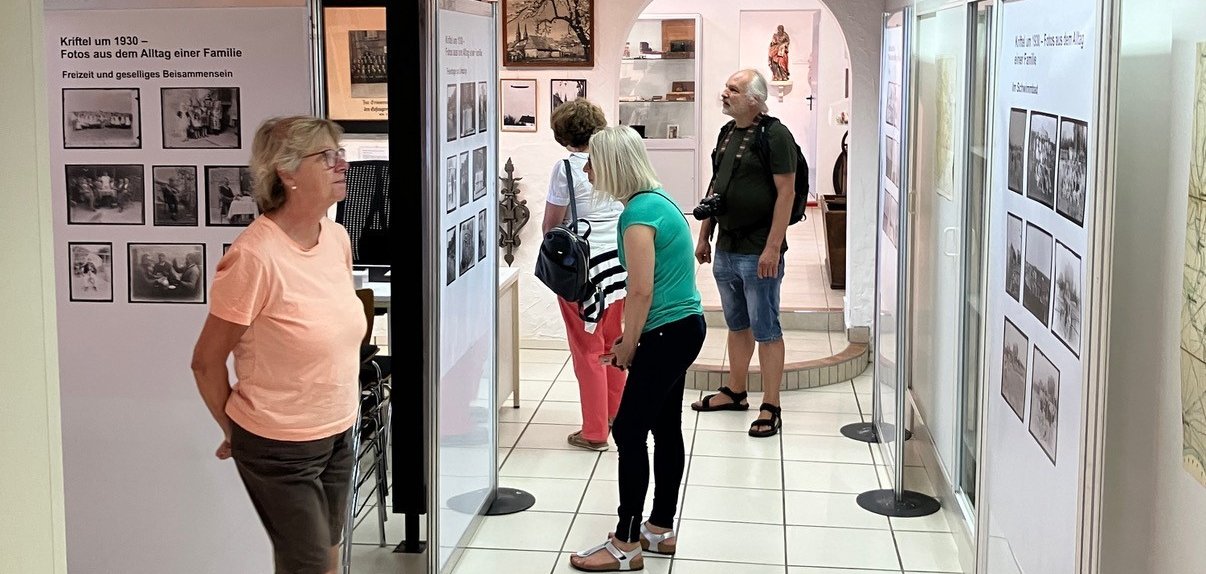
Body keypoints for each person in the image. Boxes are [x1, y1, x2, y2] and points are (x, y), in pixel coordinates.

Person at [190, 115, 361, 574]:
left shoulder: (336, 238)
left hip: (337, 430)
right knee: (307, 563)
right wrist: (234, 433)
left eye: (340, 154)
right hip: (279, 445)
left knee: (324, 556)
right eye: (327, 157)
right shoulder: (253, 256)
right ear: (286, 173)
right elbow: (206, 362)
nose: (341, 165)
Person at [568, 126, 705, 572]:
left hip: (667, 331)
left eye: (592, 162)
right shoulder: (658, 201)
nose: (586, 170)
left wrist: (628, 345)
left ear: (611, 165)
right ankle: (659, 527)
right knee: (665, 426)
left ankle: (626, 543)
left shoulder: (638, 215)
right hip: (682, 328)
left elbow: (641, 291)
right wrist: (633, 343)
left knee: (628, 431)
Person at [691, 69, 797, 438]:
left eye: (732, 89)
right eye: (726, 87)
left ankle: (772, 404)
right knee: (737, 324)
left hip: (758, 251)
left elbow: (786, 193)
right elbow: (715, 186)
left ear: (754, 98)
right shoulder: (726, 134)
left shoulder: (776, 135)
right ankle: (736, 391)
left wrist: (772, 247)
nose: (724, 93)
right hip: (727, 247)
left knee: (766, 327)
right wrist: (704, 234)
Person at [542, 98, 628, 452]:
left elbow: (552, 224)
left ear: (563, 133)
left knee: (586, 349)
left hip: (585, 270)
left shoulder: (566, 168)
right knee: (613, 343)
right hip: (619, 263)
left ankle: (594, 431)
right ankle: (616, 415)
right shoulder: (615, 162)